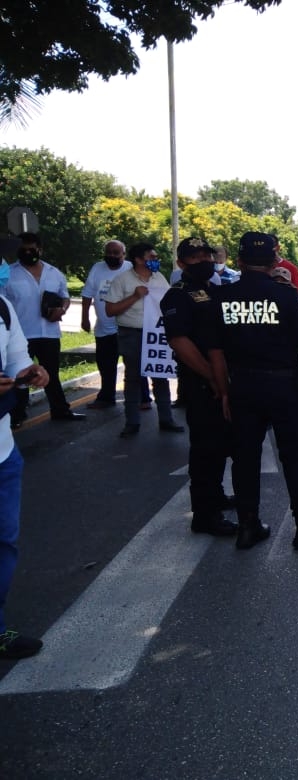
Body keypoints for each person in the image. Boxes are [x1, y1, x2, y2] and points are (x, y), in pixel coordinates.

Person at [208, 231, 298, 551]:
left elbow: (215, 353)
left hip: (243, 388)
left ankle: (248, 526)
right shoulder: (286, 295)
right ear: (274, 260)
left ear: (239, 261)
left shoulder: (223, 298)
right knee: (295, 456)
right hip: (285, 387)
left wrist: (224, 391)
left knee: (244, 458)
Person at [159, 238, 238, 536]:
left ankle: (215, 497)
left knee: (219, 445)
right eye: (195, 257)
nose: (203, 260)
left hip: (222, 378)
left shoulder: (214, 290)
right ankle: (204, 515)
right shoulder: (177, 296)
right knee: (206, 448)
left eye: (207, 254)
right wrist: (211, 378)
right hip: (201, 382)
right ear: (181, 264)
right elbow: (180, 343)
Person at [0, 285, 50, 659]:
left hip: (3, 455)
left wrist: (33, 372)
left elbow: (17, 358)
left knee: (5, 543)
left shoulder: (1, 307)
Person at [104, 242, 184, 438]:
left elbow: (168, 302)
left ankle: (166, 419)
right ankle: (132, 422)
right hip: (131, 333)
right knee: (132, 378)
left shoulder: (159, 278)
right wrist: (134, 297)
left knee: (160, 375)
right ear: (138, 260)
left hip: (156, 333)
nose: (155, 261)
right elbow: (110, 310)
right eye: (152, 257)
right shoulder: (122, 280)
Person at [5, 232, 84, 425]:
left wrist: (62, 309)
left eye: (32, 249)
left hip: (49, 333)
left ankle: (60, 410)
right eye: (23, 250)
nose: (28, 253)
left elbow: (64, 296)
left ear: (40, 249)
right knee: (20, 376)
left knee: (51, 374)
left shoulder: (54, 273)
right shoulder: (9, 274)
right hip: (21, 335)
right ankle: (17, 414)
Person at [81, 240, 132, 409]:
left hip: (127, 327)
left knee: (133, 365)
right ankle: (106, 397)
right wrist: (85, 317)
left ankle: (141, 398)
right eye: (108, 252)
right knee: (105, 365)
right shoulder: (97, 268)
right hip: (103, 328)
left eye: (115, 253)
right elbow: (88, 294)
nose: (111, 256)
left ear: (123, 255)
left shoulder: (130, 269)